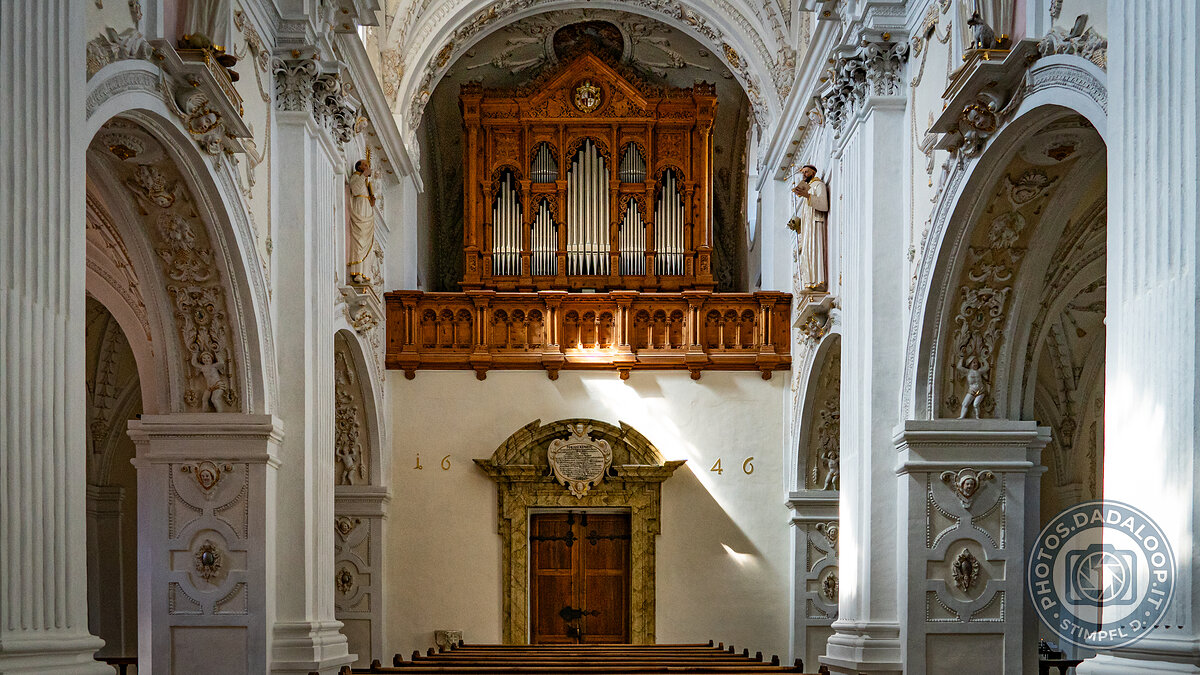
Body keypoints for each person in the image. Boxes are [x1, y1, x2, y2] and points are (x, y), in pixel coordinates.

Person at [789, 164, 829, 292]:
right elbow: (806, 214)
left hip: (816, 226)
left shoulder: (819, 186)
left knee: (814, 251)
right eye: (803, 172)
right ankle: (808, 282)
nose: (804, 174)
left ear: (813, 173)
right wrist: (798, 225)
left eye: (806, 172)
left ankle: (816, 283)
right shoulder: (808, 189)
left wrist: (807, 196)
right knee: (806, 253)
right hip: (808, 227)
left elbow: (824, 205)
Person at [347, 159, 376, 284]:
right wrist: (363, 176)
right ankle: (357, 271)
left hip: (367, 210)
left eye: (368, 165)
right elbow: (355, 190)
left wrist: (372, 200)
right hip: (359, 207)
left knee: (367, 240)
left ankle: (364, 272)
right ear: (358, 167)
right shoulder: (356, 177)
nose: (366, 167)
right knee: (359, 239)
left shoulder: (366, 182)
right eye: (364, 165)